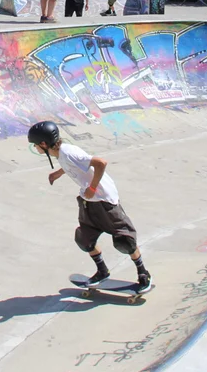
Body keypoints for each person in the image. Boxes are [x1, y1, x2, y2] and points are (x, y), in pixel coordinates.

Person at [27, 120, 151, 289]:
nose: (36, 148)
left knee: (124, 240)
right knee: (85, 239)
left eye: (36, 145)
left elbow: (101, 163)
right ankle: (102, 271)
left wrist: (92, 188)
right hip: (88, 202)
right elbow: (72, 165)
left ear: (43, 143)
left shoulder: (69, 152)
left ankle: (143, 272)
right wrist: (58, 173)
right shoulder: (61, 154)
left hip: (104, 200)